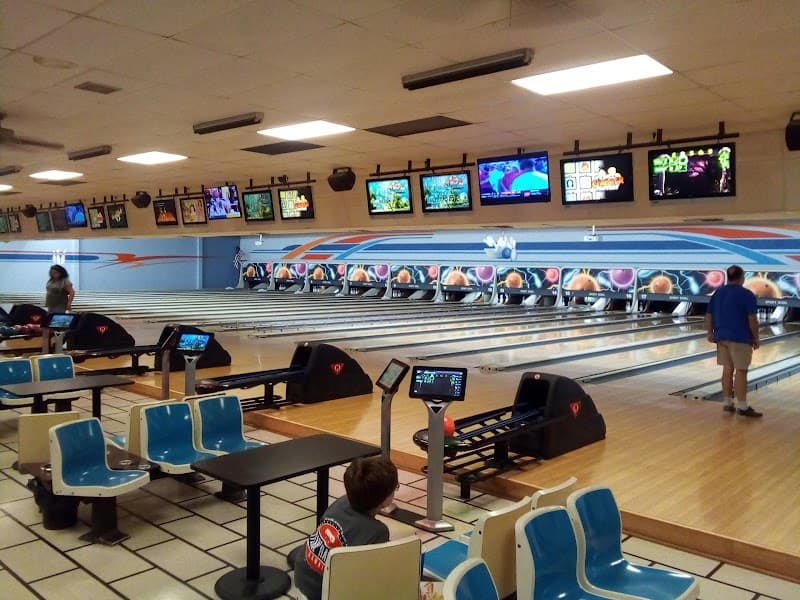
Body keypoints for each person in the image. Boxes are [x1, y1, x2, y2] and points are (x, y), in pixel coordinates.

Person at [293, 456, 398, 600]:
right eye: (395, 488)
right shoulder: (378, 532)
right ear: (385, 499)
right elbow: (371, 575)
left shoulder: (342, 501)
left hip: (302, 572)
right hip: (323, 591)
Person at [705, 265, 762, 417]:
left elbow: (709, 315)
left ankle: (727, 403)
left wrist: (709, 332)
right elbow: (752, 319)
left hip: (721, 337)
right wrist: (756, 337)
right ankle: (742, 406)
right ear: (741, 277)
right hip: (740, 338)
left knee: (727, 369)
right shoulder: (747, 294)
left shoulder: (718, 293)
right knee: (741, 371)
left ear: (728, 277)